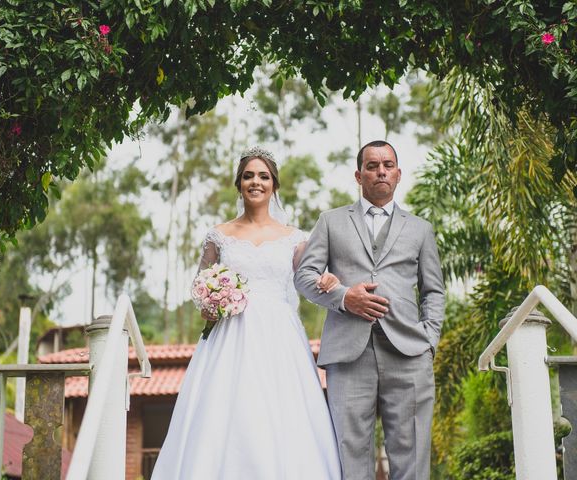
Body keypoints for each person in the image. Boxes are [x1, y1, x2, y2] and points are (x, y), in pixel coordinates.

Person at [151, 147, 342, 480]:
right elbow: (199, 287)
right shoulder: (219, 236)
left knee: (282, 414)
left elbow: (311, 281)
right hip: (229, 336)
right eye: (249, 176)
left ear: (274, 186)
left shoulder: (295, 239)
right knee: (225, 412)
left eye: (263, 176)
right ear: (239, 184)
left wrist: (329, 279)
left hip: (279, 338)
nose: (256, 182)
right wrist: (211, 299)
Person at [294, 140, 445, 480]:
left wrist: (429, 340)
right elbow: (304, 276)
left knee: (413, 455)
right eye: (373, 165)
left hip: (409, 353)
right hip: (349, 355)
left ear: (398, 174)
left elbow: (434, 290)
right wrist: (345, 298)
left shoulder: (421, 229)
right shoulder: (331, 221)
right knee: (351, 454)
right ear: (359, 175)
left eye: (387, 165)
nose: (381, 171)